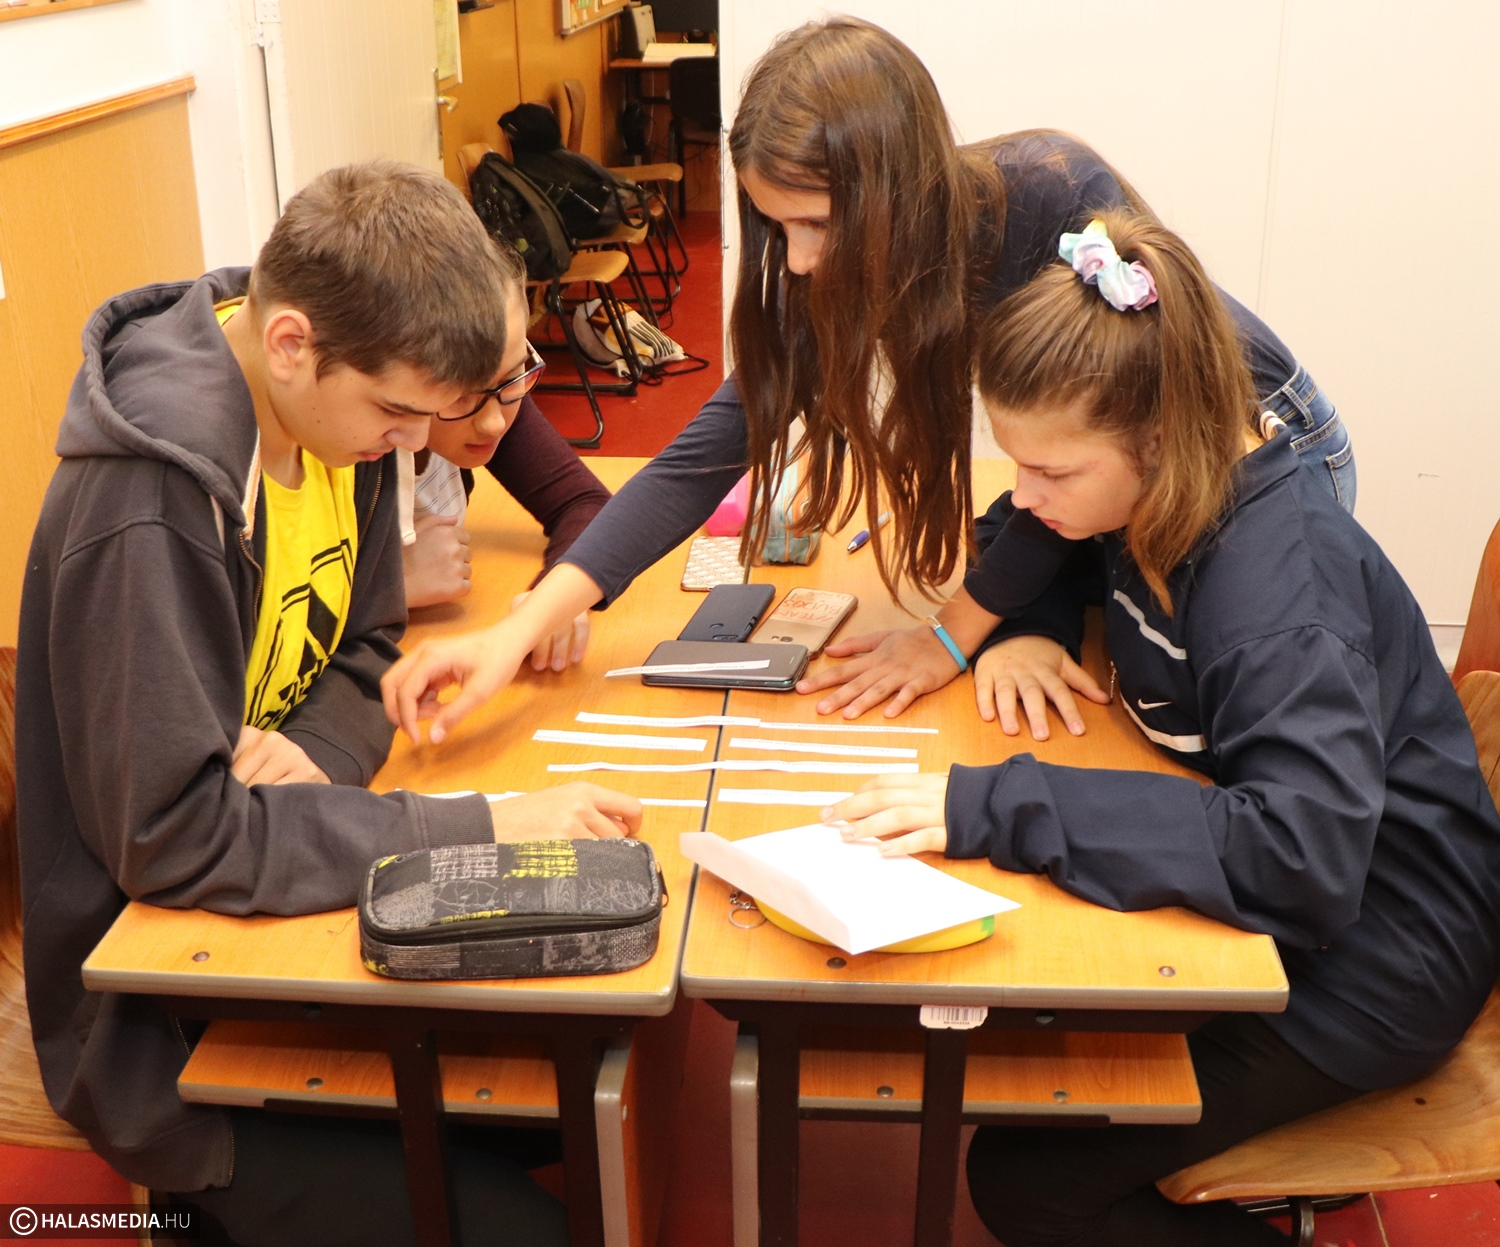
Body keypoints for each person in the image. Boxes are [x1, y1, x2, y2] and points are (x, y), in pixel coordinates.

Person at [380, 16, 1353, 748]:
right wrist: (521, 627)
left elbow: (1085, 468)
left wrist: (950, 637)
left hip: (1259, 451)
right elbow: (696, 463)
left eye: (815, 223)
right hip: (1114, 489)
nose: (799, 261)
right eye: (777, 227)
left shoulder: (1050, 197)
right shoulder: (838, 264)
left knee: (1197, 733)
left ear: (891, 191)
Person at [821, 208, 1500, 1246]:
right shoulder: (1160, 492)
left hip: (1376, 963)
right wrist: (1025, 629)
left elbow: (1302, 854)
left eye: (1053, 474)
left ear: (1159, 437)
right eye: (1017, 463)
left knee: (1028, 1178)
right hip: (1309, 905)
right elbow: (1048, 542)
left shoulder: (1277, 596)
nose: (1024, 499)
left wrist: (999, 803)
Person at [15, 161, 641, 1247]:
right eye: (398, 412)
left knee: (576, 1090)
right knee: (532, 1221)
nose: (413, 444)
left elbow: (367, 646)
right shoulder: (155, 493)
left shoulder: (334, 413)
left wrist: (308, 757)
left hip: (268, 910)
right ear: (292, 342)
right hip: (163, 1023)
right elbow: (173, 837)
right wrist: (479, 829)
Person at [396, 238, 610, 673]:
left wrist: (553, 594)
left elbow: (583, 501)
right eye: (460, 394)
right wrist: (391, 586)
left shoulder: (493, 393)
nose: (494, 423)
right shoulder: (355, 445)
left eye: (515, 374)